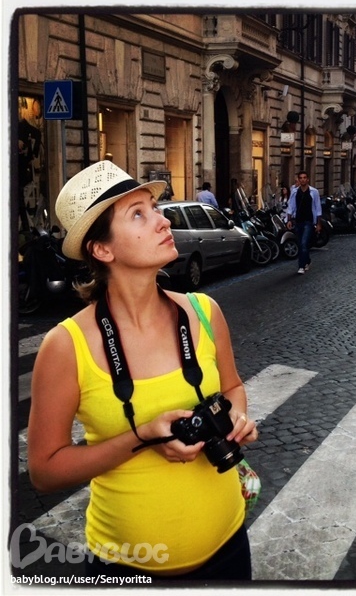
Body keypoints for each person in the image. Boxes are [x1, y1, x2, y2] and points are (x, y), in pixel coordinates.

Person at [28, 160, 258, 580]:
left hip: (230, 550)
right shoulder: (65, 346)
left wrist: (237, 417)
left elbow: (233, 387)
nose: (162, 220)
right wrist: (142, 439)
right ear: (102, 250)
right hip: (127, 567)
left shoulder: (204, 312)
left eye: (154, 207)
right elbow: (44, 471)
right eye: (138, 214)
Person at [286, 170, 322, 275]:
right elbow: (291, 206)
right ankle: (307, 260)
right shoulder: (295, 192)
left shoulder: (314, 192)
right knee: (300, 244)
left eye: (304, 178)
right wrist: (289, 220)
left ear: (308, 179)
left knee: (304, 243)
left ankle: (301, 266)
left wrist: (319, 223)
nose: (302, 180)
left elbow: (318, 207)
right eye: (300, 178)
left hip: (309, 221)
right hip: (298, 220)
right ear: (298, 179)